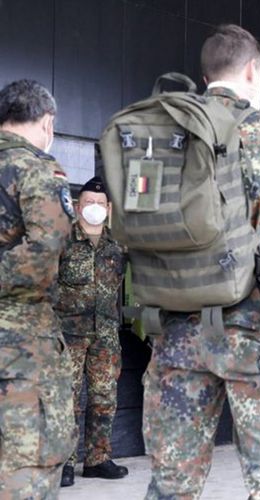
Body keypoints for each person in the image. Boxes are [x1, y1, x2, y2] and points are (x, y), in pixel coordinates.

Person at [140, 24, 260, 499]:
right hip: (255, 327)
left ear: (206, 73)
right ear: (254, 71)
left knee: (172, 480)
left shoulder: (167, 127)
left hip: (177, 329)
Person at [0, 79, 78, 499]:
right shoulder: (37, 168)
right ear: (46, 122)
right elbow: (47, 250)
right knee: (28, 468)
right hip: (22, 346)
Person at [55, 176, 127, 487]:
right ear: (76, 206)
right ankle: (64, 463)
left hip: (106, 333)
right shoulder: (62, 240)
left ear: (108, 208)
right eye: (88, 203)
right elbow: (46, 282)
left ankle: (97, 459)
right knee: (66, 398)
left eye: (100, 204)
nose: (94, 208)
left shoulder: (118, 245)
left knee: (104, 397)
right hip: (68, 333)